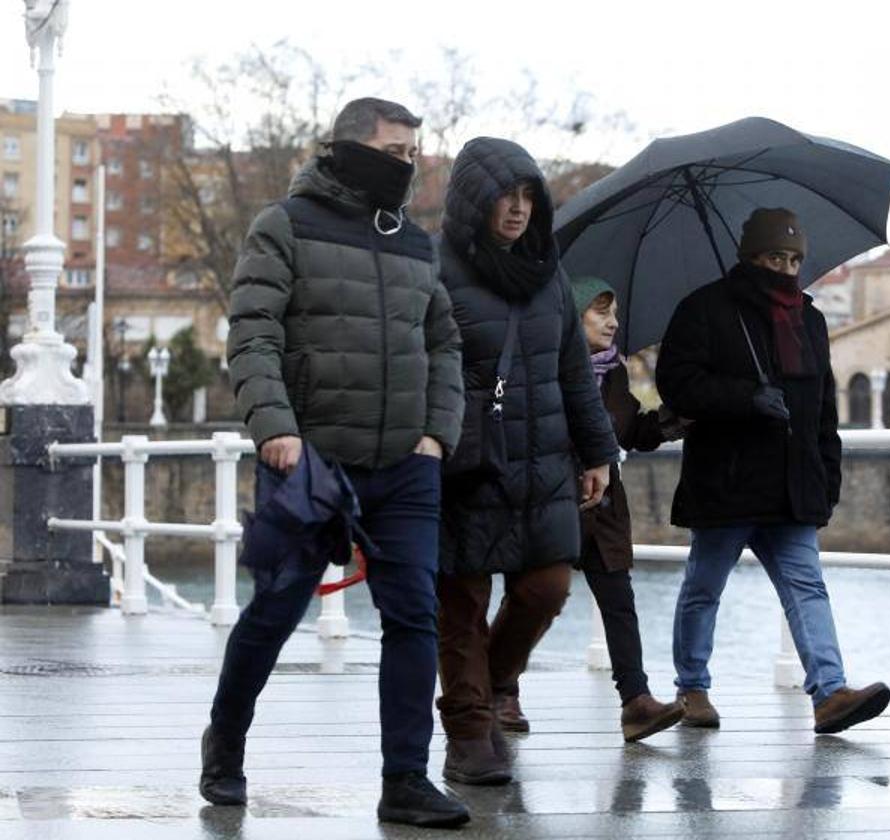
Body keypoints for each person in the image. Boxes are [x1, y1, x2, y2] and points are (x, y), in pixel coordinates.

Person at [200, 98, 469, 828]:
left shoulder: (416, 243)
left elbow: (444, 343)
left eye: (415, 152)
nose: (407, 165)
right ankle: (225, 742)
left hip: (405, 465)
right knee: (277, 611)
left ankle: (405, 780)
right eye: (394, 151)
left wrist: (437, 433)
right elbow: (252, 332)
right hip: (310, 459)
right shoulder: (282, 225)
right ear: (347, 148)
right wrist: (276, 428)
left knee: (414, 617)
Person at [656, 207, 890, 734]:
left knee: (808, 587)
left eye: (792, 259)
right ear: (750, 257)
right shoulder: (704, 310)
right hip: (728, 480)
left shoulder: (809, 318)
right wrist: (746, 397)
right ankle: (692, 687)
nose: (784, 268)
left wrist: (828, 476)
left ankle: (830, 693)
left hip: (792, 484)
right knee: (704, 586)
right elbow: (678, 383)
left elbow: (823, 408)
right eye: (773, 257)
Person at [435, 136, 619, 785]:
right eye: (502, 197)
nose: (516, 210)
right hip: (467, 464)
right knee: (460, 601)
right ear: (472, 200)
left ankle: (492, 681)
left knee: (547, 588)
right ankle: (467, 734)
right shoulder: (436, 269)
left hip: (543, 462)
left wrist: (598, 452)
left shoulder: (548, 272)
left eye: (526, 198)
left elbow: (575, 374)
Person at [503, 276, 687, 742]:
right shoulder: (542, 370)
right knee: (533, 600)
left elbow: (625, 432)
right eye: (600, 312)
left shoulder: (617, 372)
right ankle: (502, 692)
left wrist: (674, 419)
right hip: (552, 500)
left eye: (615, 312)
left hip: (603, 507)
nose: (613, 322)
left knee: (619, 603)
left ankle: (636, 702)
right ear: (574, 316)